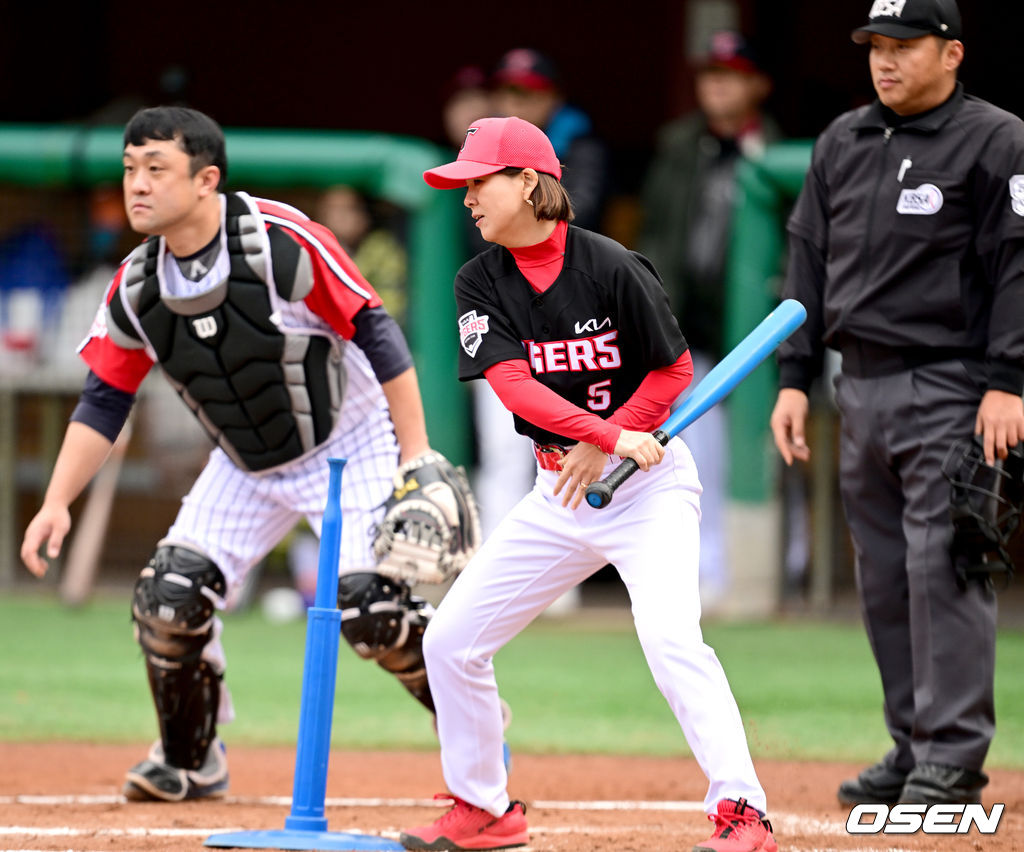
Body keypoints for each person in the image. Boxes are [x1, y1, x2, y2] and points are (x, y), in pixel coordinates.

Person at [20, 106, 447, 802]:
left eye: (156, 169)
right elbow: (103, 401)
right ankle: (192, 759)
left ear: (205, 179)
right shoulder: (135, 285)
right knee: (169, 598)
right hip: (246, 462)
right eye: (130, 169)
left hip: (352, 439)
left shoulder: (278, 242)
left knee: (371, 611)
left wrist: (418, 453)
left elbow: (376, 330)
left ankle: (475, 731)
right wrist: (56, 502)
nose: (137, 185)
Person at [400, 116, 777, 852]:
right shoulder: (479, 278)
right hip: (563, 491)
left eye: (480, 182)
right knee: (450, 641)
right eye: (464, 185)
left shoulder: (612, 266)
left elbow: (672, 373)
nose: (467, 198)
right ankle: (485, 807)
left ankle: (743, 812)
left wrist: (613, 445)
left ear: (530, 184)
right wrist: (594, 440)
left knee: (672, 639)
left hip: (650, 488)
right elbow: (512, 386)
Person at [770, 0, 1024, 807]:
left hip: (952, 382)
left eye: (904, 46)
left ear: (951, 53)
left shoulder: (997, 138)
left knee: (942, 566)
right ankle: (912, 744)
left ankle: (950, 757)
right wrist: (792, 378)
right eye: (877, 47)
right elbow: (806, 261)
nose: (885, 61)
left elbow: (1019, 265)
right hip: (860, 385)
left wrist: (1008, 381)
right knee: (882, 576)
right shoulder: (841, 140)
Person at [639, 30, 782, 605]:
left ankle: (766, 571)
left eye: (730, 74)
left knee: (757, 446)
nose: (716, 85)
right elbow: (656, 228)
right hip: (685, 319)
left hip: (752, 324)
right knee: (692, 445)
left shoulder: (773, 148)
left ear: (757, 85)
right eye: (709, 74)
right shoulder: (679, 143)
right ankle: (707, 570)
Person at [491, 48, 609, 233]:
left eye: (527, 91)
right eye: (507, 90)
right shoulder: (488, 143)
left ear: (555, 97)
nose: (514, 101)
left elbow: (577, 213)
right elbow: (478, 223)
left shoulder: (581, 144)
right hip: (500, 258)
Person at [316, 184, 409, 330]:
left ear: (363, 216)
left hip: (373, 334)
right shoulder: (313, 247)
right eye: (333, 209)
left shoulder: (381, 247)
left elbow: (392, 303)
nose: (341, 217)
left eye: (349, 209)